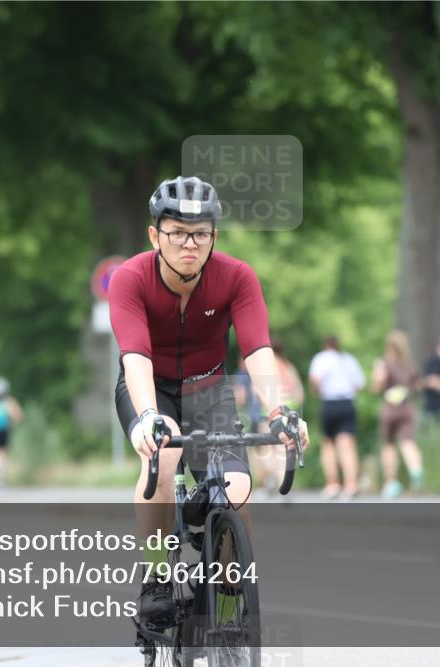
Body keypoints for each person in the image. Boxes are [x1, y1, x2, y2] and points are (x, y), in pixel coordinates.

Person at [108, 175, 309, 623]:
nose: (189, 244)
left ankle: (227, 604)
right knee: (159, 460)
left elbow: (257, 349)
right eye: (177, 232)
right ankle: (157, 577)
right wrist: (146, 417)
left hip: (208, 387)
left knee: (237, 490)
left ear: (214, 236)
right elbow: (135, 355)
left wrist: (278, 413)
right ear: (154, 235)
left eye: (200, 233)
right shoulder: (130, 279)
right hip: (149, 387)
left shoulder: (236, 277)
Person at [309, 336, 364, 501]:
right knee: (347, 444)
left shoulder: (321, 358)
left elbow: (315, 379)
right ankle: (351, 483)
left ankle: (332, 483)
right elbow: (359, 384)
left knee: (329, 443)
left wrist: (317, 391)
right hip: (347, 402)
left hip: (330, 403)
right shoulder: (348, 359)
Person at [371, 331, 424, 500]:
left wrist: (377, 376)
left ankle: (391, 482)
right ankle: (416, 470)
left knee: (388, 445)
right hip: (407, 408)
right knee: (408, 442)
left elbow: (377, 386)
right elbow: (418, 386)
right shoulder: (410, 365)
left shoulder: (384, 364)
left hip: (390, 409)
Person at [251, 340, 304, 497]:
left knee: (265, 449)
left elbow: (258, 392)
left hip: (268, 412)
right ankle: (283, 485)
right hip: (288, 411)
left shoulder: (267, 367)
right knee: (283, 449)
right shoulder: (289, 367)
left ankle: (271, 481)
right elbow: (300, 394)